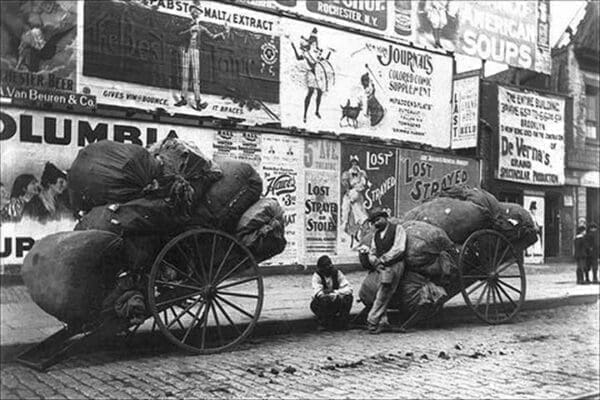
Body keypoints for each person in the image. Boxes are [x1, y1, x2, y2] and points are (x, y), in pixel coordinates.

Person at [174, 5, 229, 111]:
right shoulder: (185, 24)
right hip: (185, 50)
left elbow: (212, 36)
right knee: (185, 75)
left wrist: (223, 33)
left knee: (195, 77)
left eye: (197, 12)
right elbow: (178, 34)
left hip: (195, 51)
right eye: (194, 11)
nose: (195, 14)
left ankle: (197, 101)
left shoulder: (201, 28)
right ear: (191, 13)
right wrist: (189, 31)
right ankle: (183, 98)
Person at [366, 207, 406, 334]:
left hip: (395, 265)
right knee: (378, 290)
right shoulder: (376, 235)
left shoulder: (397, 229)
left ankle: (372, 321)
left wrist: (383, 259)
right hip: (381, 267)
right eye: (373, 222)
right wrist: (374, 261)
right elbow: (372, 251)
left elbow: (399, 248)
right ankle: (383, 322)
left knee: (384, 292)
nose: (376, 223)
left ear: (385, 218)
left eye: (378, 219)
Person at [291, 27, 332, 123]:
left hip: (318, 73)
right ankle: (305, 114)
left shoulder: (316, 52)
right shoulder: (306, 53)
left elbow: (324, 61)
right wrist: (294, 48)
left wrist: (329, 53)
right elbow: (298, 58)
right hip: (312, 74)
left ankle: (317, 111)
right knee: (310, 93)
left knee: (320, 93)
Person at [310, 255, 353, 330]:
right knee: (323, 300)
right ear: (320, 268)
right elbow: (317, 291)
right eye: (325, 267)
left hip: (336, 300)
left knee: (348, 297)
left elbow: (348, 288)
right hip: (322, 304)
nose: (328, 269)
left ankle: (343, 322)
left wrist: (336, 292)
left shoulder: (337, 273)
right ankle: (324, 322)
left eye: (329, 266)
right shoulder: (317, 276)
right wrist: (326, 295)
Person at [341, 156, 369, 247]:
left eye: (356, 163)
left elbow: (364, 184)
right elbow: (346, 185)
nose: (354, 164)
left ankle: (360, 236)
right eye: (353, 163)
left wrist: (359, 188)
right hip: (350, 195)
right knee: (346, 213)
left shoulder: (361, 173)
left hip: (358, 197)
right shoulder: (347, 173)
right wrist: (349, 192)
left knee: (361, 215)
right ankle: (346, 231)